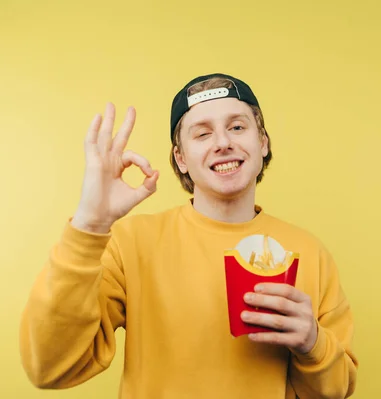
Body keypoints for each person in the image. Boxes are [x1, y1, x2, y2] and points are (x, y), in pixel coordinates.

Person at [19, 73, 359, 398]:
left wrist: (313, 344)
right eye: (202, 133)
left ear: (262, 142)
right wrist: (89, 224)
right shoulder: (131, 243)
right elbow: (49, 367)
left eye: (237, 127)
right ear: (180, 159)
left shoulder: (309, 253)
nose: (224, 142)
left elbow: (335, 391)